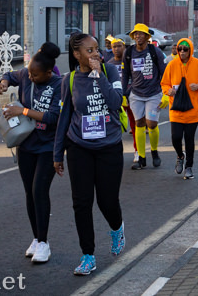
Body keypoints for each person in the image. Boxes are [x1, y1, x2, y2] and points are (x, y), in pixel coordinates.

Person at [53, 33, 126, 276]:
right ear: (77, 55)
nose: (97, 54)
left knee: (107, 201)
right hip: (79, 147)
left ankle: (117, 228)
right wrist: (57, 153)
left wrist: (98, 76)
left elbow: (115, 102)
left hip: (109, 146)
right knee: (81, 203)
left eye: (97, 49)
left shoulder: (110, 72)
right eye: (90, 51)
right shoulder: (70, 80)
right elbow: (64, 118)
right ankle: (88, 255)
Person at [0, 43, 62, 264]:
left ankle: (44, 243)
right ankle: (36, 238)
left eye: (36, 75)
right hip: (26, 145)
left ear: (49, 72)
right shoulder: (25, 74)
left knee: (39, 191)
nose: (31, 78)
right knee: (29, 193)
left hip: (48, 147)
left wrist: (22, 110)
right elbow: (9, 74)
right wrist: (4, 82)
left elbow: (53, 117)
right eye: (29, 74)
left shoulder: (59, 85)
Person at [161, 39, 198, 180]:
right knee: (176, 138)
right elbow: (164, 83)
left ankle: (189, 166)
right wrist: (168, 91)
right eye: (180, 49)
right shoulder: (172, 65)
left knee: (189, 139)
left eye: (185, 49)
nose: (182, 52)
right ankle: (180, 156)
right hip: (176, 110)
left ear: (190, 50)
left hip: (193, 110)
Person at [122, 25, 167, 170]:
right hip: (136, 95)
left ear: (147, 37)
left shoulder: (155, 52)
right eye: (135, 34)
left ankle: (154, 152)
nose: (137, 37)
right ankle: (141, 158)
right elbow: (125, 75)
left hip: (154, 94)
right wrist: (123, 94)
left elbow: (164, 74)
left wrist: (165, 93)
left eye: (141, 34)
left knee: (151, 124)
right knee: (139, 124)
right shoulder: (128, 52)